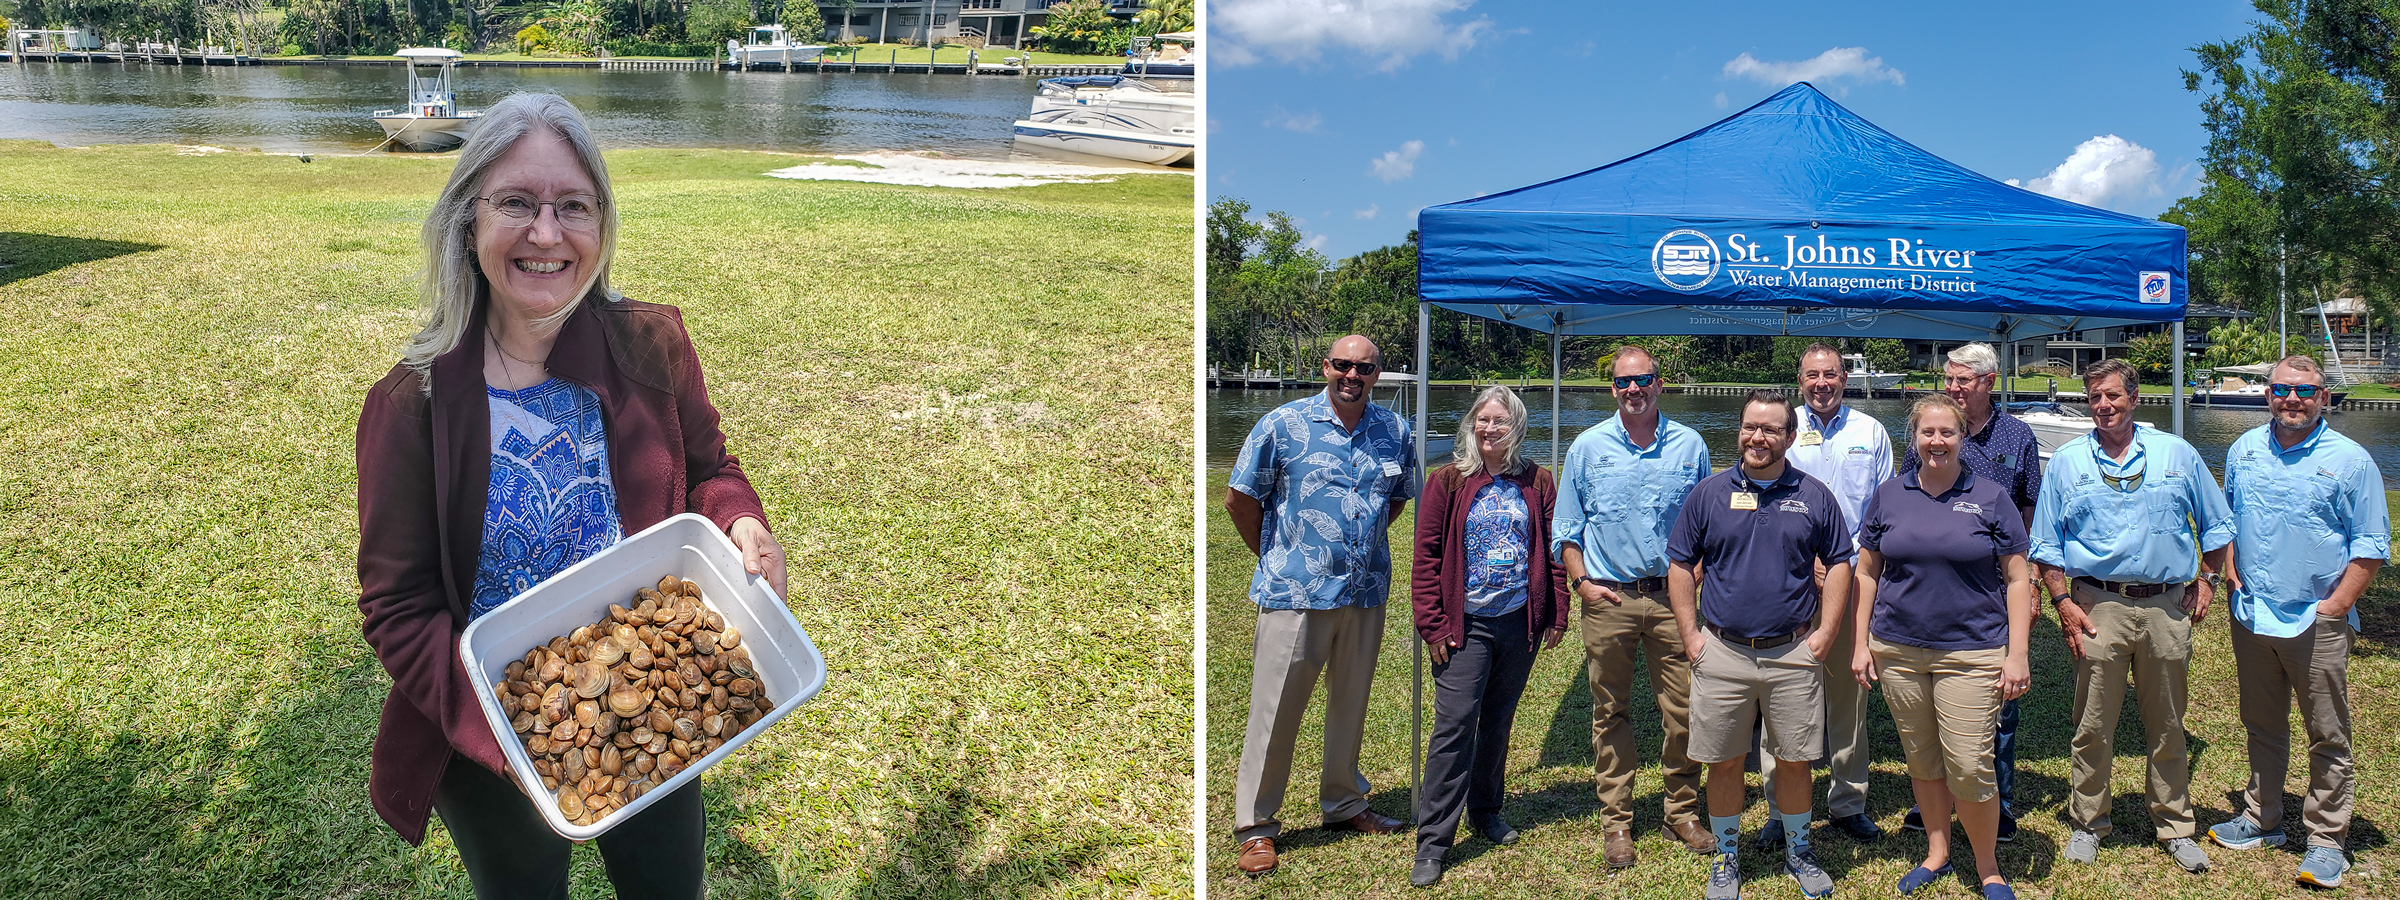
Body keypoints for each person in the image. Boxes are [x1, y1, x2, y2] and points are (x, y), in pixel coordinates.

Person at [356, 93, 789, 899]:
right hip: (486, 729)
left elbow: (710, 466)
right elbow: (398, 609)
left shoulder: (652, 344)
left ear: (602, 226)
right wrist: (514, 740)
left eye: (573, 207)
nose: (547, 234)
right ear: (467, 221)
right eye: (516, 203)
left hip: (649, 695)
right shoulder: (411, 406)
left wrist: (740, 518)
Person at [1225, 335, 1418, 877]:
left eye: (1364, 368)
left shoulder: (1394, 430)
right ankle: (1256, 827)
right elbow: (1240, 498)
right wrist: (1277, 555)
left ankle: (1344, 802)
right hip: (1295, 595)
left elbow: (1396, 500)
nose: (1351, 375)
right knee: (1275, 711)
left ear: (1378, 374)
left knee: (1351, 705)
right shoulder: (1282, 425)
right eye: (1342, 365)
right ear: (1326, 367)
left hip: (1364, 593)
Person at [2031, 358, 2232, 873]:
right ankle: (2088, 823)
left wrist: (2207, 581)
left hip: (2167, 606)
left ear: (2134, 398)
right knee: (2093, 723)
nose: (2104, 406)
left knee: (2167, 723)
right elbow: (2047, 544)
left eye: (2113, 396)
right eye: (2094, 397)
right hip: (2099, 604)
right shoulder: (2069, 461)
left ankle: (2175, 824)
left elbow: (2218, 525)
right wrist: (2063, 601)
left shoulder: (2176, 454)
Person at [2208, 355, 2388, 889]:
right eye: (2282, 389)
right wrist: (2232, 571)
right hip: (2253, 613)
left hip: (2317, 621)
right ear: (2267, 394)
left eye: (2305, 391)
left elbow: (2372, 545)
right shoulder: (2243, 450)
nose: (2293, 399)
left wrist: (2334, 607)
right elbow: (2227, 518)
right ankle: (2262, 818)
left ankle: (2327, 837)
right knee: (2261, 722)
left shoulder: (2352, 461)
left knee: (2326, 731)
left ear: (2324, 398)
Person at [1668, 389, 1853, 900]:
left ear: (1791, 437)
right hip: (1722, 650)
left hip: (1793, 652)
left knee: (1794, 760)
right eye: (1752, 427)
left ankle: (1799, 849)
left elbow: (1840, 563)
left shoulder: (1814, 495)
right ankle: (1727, 857)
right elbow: (1681, 564)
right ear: (1739, 430)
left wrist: (1825, 635)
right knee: (1724, 761)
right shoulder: (1708, 493)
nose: (1760, 437)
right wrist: (1691, 636)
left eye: (1772, 429)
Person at [1851, 394, 2033, 900]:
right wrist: (1861, 643)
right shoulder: (1889, 495)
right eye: (1927, 433)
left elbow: (2017, 579)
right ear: (1914, 438)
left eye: (1947, 433)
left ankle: (1988, 867)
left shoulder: (1992, 497)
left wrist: (2016, 653)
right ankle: (1937, 852)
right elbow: (1867, 573)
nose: (1937, 442)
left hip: (1972, 652)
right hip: (1898, 649)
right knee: (1923, 759)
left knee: (1970, 764)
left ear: (1961, 437)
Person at [1551, 345, 1716, 868]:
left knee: (1686, 710)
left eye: (1642, 379)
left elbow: (1706, 525)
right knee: (1609, 712)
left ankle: (1681, 812)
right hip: (1611, 598)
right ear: (1613, 389)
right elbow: (1567, 530)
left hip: (1674, 601)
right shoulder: (1587, 447)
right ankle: (1617, 823)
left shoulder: (1690, 446)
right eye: (1623, 382)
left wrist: (1699, 578)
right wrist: (1582, 584)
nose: (1633, 389)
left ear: (1659, 383)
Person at [1407, 385, 1569, 887]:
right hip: (1465, 626)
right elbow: (1426, 557)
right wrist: (1432, 622)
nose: (1490, 428)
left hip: (1517, 622)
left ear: (1517, 426)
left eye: (1501, 420)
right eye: (1483, 419)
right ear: (1472, 425)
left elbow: (1555, 550)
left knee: (1497, 722)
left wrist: (1556, 612)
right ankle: (1434, 841)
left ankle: (1486, 810)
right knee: (1454, 728)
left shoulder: (1537, 480)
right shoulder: (1448, 481)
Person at [1896, 342, 2038, 840]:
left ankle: (1996, 804)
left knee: (1997, 707)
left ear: (1989, 382)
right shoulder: (1928, 431)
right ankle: (1932, 806)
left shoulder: (2018, 436)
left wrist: (2030, 580)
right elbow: (1904, 498)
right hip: (1932, 594)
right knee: (1932, 713)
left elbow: (2027, 510)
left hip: (1995, 592)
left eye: (1964, 380)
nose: (1953, 388)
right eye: (1949, 379)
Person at [1756, 344, 1894, 850]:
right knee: (1780, 697)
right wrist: (1810, 559)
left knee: (1848, 697)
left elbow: (1882, 512)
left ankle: (1848, 802)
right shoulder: (1779, 426)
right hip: (1788, 582)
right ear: (1800, 380)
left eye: (1831, 374)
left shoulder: (1871, 432)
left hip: (1853, 579)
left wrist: (1841, 559)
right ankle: (1779, 806)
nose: (1822, 383)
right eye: (1812, 375)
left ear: (1844, 379)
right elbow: (1760, 500)